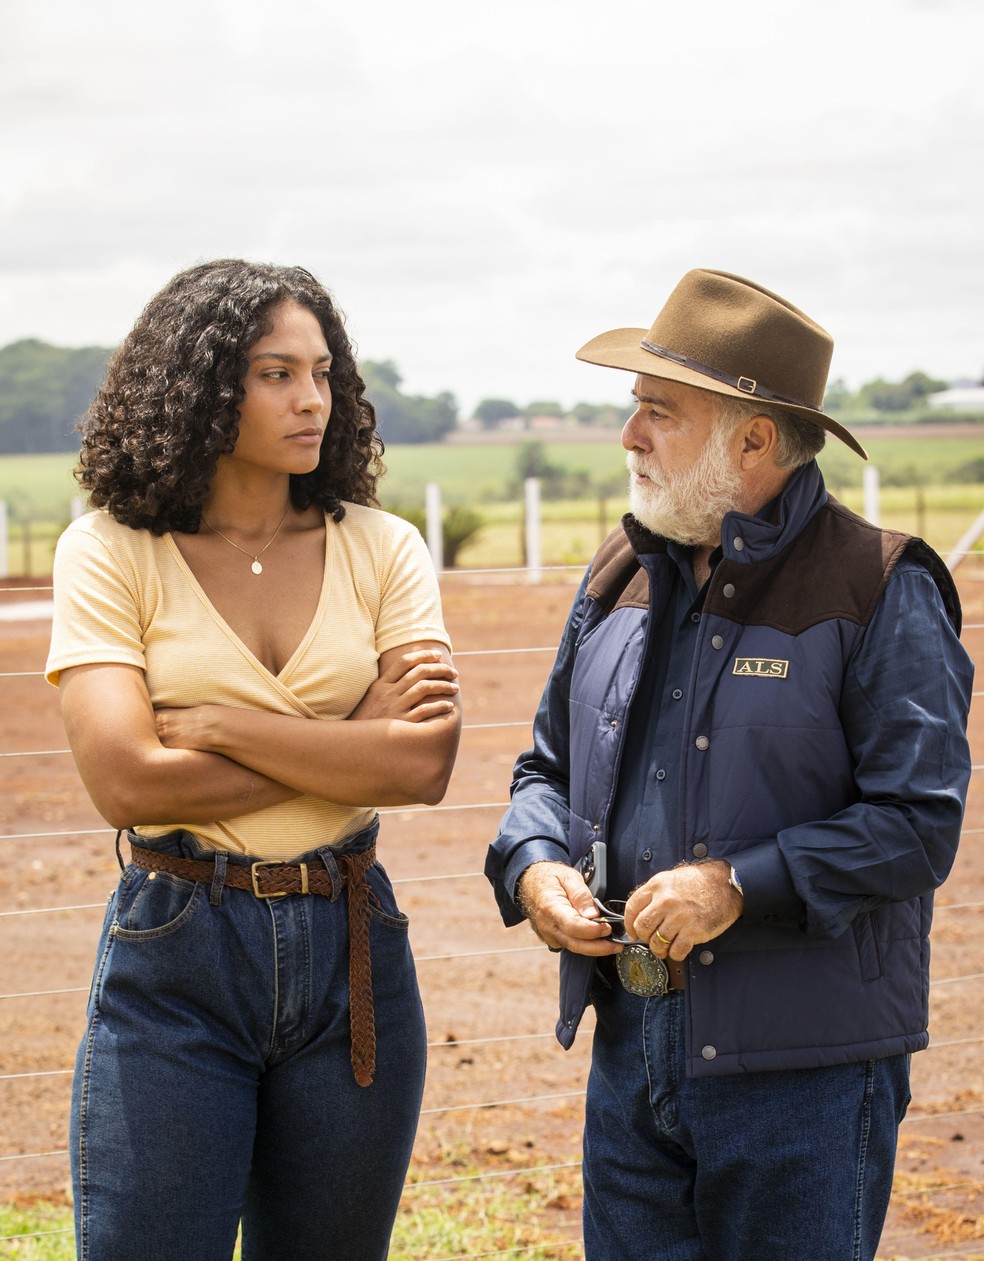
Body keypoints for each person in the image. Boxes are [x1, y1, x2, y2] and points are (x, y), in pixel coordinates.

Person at [486, 268, 974, 1261]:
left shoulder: (881, 585)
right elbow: (541, 770)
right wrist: (533, 865)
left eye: (657, 413)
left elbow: (919, 824)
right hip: (630, 1054)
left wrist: (734, 886)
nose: (629, 437)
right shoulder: (618, 575)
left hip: (806, 1074)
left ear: (753, 438)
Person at [46, 259, 462, 1261]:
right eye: (276, 373)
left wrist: (228, 727)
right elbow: (128, 781)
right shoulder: (109, 550)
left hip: (352, 950)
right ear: (198, 386)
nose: (311, 398)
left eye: (322, 372)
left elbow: (424, 766)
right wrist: (351, 736)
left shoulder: (383, 546)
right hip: (179, 943)